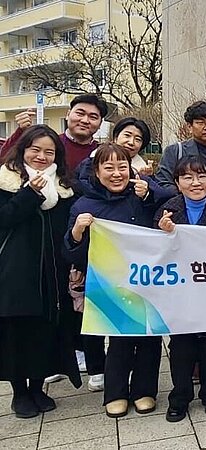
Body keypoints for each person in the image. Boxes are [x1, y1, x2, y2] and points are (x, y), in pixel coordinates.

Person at [64, 143, 168, 417]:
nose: (116, 173)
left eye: (122, 166)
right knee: (119, 339)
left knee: (150, 336)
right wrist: (77, 231)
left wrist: (149, 190)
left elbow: (171, 197)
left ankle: (145, 390)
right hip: (110, 282)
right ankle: (116, 392)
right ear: (96, 172)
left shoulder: (142, 195)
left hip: (148, 279)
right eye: (108, 168)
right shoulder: (84, 205)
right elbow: (70, 252)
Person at [0, 125, 80, 418]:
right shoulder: (5, 180)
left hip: (52, 270)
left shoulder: (64, 185)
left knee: (45, 330)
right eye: (35, 150)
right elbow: (5, 219)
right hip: (16, 271)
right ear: (23, 149)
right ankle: (19, 393)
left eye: (49, 151)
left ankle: (38, 387)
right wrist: (29, 194)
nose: (42, 157)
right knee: (17, 331)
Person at [155, 156, 206, 422]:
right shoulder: (166, 210)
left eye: (201, 176)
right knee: (181, 347)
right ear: (178, 183)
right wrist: (163, 235)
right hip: (178, 292)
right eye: (188, 177)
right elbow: (152, 253)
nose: (195, 182)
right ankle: (179, 397)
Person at [0, 94, 108, 172]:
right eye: (80, 113)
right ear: (68, 114)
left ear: (100, 123)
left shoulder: (102, 152)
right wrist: (21, 132)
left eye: (93, 117)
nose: (85, 120)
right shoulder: (50, 144)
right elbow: (4, 160)